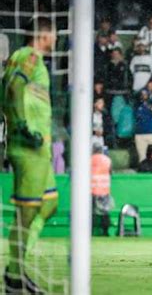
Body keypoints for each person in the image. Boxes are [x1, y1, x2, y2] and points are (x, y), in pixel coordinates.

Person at [1, 17, 58, 293]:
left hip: (37, 146)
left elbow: (6, 92)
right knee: (27, 212)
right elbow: (13, 88)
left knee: (49, 204)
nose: (56, 39)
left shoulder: (17, 58)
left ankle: (15, 268)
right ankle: (14, 275)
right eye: (54, 33)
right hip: (29, 146)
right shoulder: (30, 56)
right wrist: (22, 126)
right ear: (44, 35)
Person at [91, 144, 114, 236]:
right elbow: (111, 172)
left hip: (92, 189)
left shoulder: (89, 160)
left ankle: (90, 231)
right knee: (105, 212)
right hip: (104, 189)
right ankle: (105, 231)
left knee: (91, 213)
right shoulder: (107, 160)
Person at [134, 90, 152, 162]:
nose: (144, 96)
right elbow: (138, 115)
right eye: (142, 94)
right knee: (142, 158)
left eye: (145, 94)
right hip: (140, 134)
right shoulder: (137, 105)